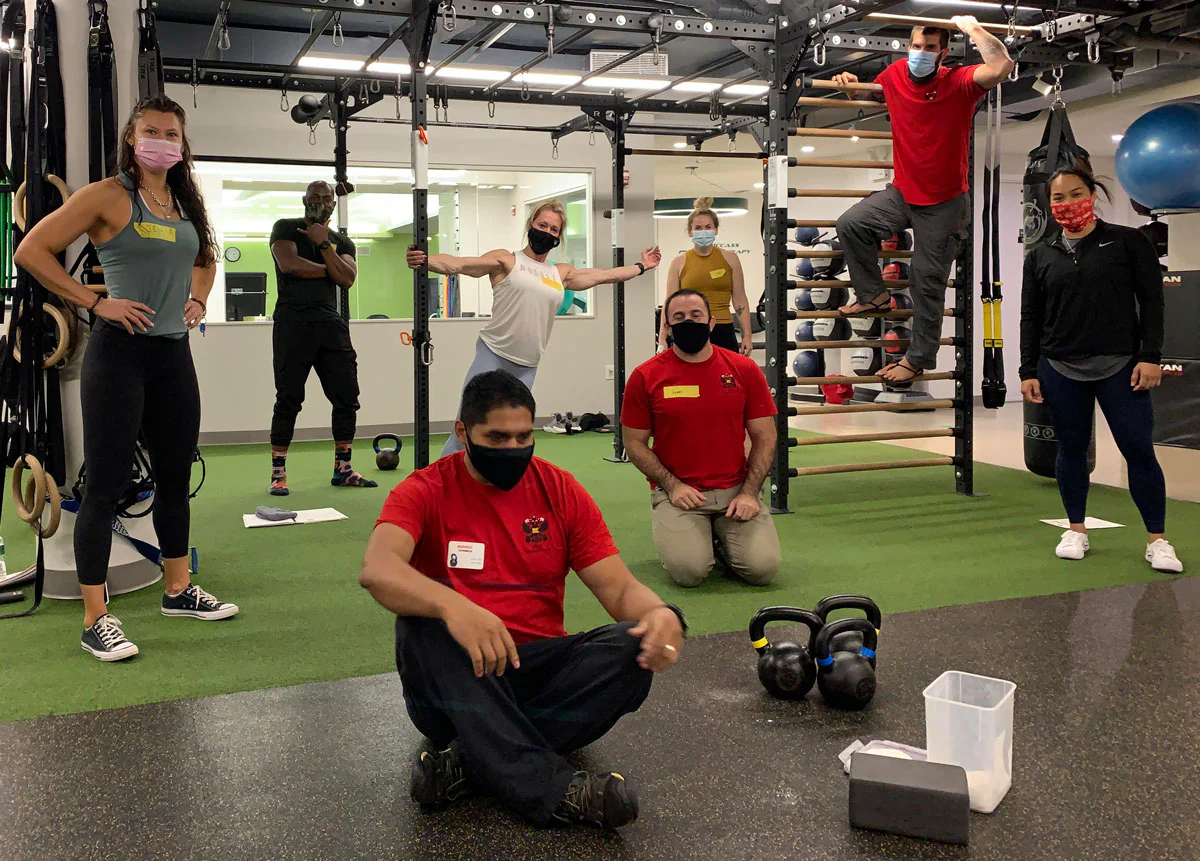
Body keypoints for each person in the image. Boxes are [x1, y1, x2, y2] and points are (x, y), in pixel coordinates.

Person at [360, 370, 685, 829]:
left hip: (536, 674)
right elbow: (377, 569)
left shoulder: (559, 488)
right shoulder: (424, 490)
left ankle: (474, 763)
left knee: (633, 649)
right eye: (496, 437)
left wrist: (660, 614)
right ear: (462, 433)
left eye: (523, 436)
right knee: (421, 621)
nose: (513, 449)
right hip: (457, 686)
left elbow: (617, 587)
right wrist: (454, 606)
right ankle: (553, 790)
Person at [14, 94, 238, 662]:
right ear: (132, 139)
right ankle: (96, 617)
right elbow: (31, 250)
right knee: (107, 483)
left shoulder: (184, 201)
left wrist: (198, 296)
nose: (162, 140)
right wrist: (93, 300)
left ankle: (178, 589)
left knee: (174, 473)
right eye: (151, 131)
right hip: (119, 356)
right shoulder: (108, 196)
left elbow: (206, 256)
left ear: (182, 145)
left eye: (171, 133)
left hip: (172, 355)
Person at [831, 17, 1013, 387]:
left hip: (945, 202)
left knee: (925, 280)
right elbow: (871, 96)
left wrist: (973, 29)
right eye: (916, 46)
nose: (921, 53)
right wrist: (853, 89)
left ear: (942, 54)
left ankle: (918, 358)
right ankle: (874, 295)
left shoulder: (959, 82)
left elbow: (1001, 67)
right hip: (903, 193)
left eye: (930, 48)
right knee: (852, 223)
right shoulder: (895, 73)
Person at [405, 199, 661, 458]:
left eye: (553, 230)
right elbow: (459, 264)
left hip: (528, 365)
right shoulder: (506, 260)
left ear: (558, 237)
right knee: (469, 424)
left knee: (509, 430)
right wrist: (424, 259)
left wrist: (641, 267)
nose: (547, 232)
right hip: (493, 354)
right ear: (530, 225)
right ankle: (441, 483)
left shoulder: (560, 273)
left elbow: (605, 276)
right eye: (543, 225)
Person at [1020, 167, 1183, 573]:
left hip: (1121, 367)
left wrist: (1151, 356)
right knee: (1071, 451)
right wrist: (1028, 369)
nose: (1066, 204)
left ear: (1093, 194)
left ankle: (1157, 540)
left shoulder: (1128, 242)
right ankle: (1076, 529)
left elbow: (1153, 303)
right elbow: (1030, 316)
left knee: (1138, 450)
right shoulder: (1041, 253)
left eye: (1075, 193)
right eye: (1058, 198)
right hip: (1059, 366)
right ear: (1049, 203)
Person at [622, 289, 781, 587]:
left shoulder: (743, 369)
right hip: (680, 494)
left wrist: (749, 492)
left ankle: (720, 538)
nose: (688, 322)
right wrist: (672, 485)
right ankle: (696, 535)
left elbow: (766, 437)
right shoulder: (646, 376)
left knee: (762, 570)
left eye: (696, 316)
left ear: (711, 323)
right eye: (678, 318)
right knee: (690, 573)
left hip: (736, 491)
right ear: (667, 328)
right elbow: (634, 443)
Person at [267, 180, 375, 495]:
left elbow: (349, 279)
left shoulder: (342, 241)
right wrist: (333, 268)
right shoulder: (285, 228)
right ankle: (278, 474)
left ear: (333, 203)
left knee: (346, 398)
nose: (321, 201)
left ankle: (343, 469)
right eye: (315, 196)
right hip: (293, 324)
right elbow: (290, 266)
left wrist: (324, 244)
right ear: (304, 199)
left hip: (332, 325)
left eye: (326, 197)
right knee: (288, 398)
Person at [658, 196, 751, 355]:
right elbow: (669, 302)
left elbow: (740, 298)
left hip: (722, 326)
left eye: (708, 227)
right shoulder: (679, 262)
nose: (704, 231)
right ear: (690, 232)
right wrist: (662, 338)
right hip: (690, 327)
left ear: (715, 230)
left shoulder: (730, 258)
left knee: (727, 377)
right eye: (698, 228)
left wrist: (747, 335)